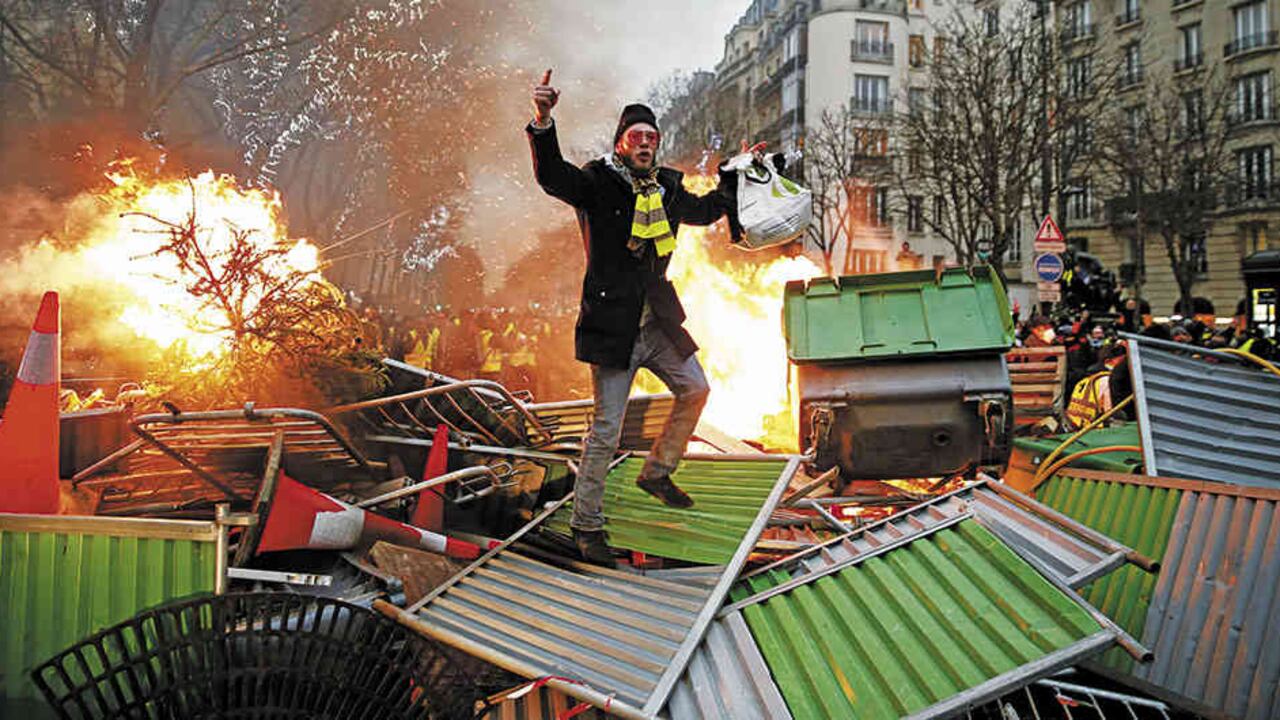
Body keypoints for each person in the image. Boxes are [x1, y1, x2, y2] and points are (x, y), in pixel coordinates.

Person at [527, 69, 742, 566]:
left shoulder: (667, 188)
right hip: (613, 327)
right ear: (621, 144)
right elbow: (552, 175)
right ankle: (587, 528)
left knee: (697, 388)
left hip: (657, 325)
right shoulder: (597, 183)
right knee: (606, 430)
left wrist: (737, 169)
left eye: (652, 138)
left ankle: (657, 471)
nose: (645, 144)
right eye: (636, 137)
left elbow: (709, 210)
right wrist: (542, 120)